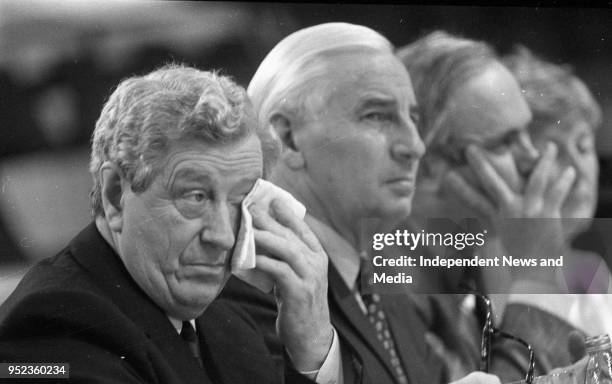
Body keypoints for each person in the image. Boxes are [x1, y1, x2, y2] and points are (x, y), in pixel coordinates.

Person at [0, 65, 337, 383]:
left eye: (241, 200)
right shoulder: (52, 328)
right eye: (195, 197)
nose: (222, 236)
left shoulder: (236, 312)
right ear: (115, 194)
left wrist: (311, 354)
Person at [217, 22, 502, 384]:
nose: (414, 146)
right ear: (287, 137)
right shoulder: (251, 278)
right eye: (377, 116)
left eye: (412, 119)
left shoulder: (378, 273)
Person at [397, 31, 607, 382]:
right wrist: (534, 274)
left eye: (528, 133)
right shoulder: (393, 283)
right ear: (429, 164)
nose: (532, 157)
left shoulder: (465, 268)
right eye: (505, 142)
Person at [503, 45, 612, 334]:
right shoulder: (484, 280)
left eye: (583, 147)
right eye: (555, 151)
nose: (578, 169)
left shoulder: (590, 270)